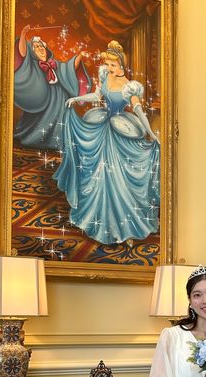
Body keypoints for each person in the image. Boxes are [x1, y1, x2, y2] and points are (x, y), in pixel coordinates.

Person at [52, 40, 160, 245]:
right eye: (107, 64)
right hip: (103, 126)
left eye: (113, 64)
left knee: (120, 179)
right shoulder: (105, 76)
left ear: (121, 65)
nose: (109, 67)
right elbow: (97, 95)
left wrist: (150, 133)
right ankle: (98, 219)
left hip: (121, 132)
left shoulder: (130, 86)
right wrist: (76, 99)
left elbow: (139, 111)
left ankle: (126, 228)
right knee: (99, 175)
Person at [13, 24, 91, 150]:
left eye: (42, 46)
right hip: (41, 102)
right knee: (35, 129)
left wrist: (80, 55)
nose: (40, 49)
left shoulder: (55, 64)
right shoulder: (32, 65)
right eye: (37, 47)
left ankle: (59, 137)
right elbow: (22, 52)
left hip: (59, 103)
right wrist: (23, 34)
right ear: (32, 51)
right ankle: (37, 137)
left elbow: (69, 69)